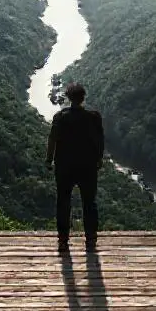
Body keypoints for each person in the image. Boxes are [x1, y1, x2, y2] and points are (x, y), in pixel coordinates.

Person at [46, 82, 105, 253]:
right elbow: (100, 140)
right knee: (89, 203)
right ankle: (91, 239)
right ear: (83, 97)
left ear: (68, 97)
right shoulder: (94, 117)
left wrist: (49, 160)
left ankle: (63, 240)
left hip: (64, 166)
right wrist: (99, 158)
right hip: (87, 166)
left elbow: (52, 139)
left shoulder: (60, 117)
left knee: (63, 202)